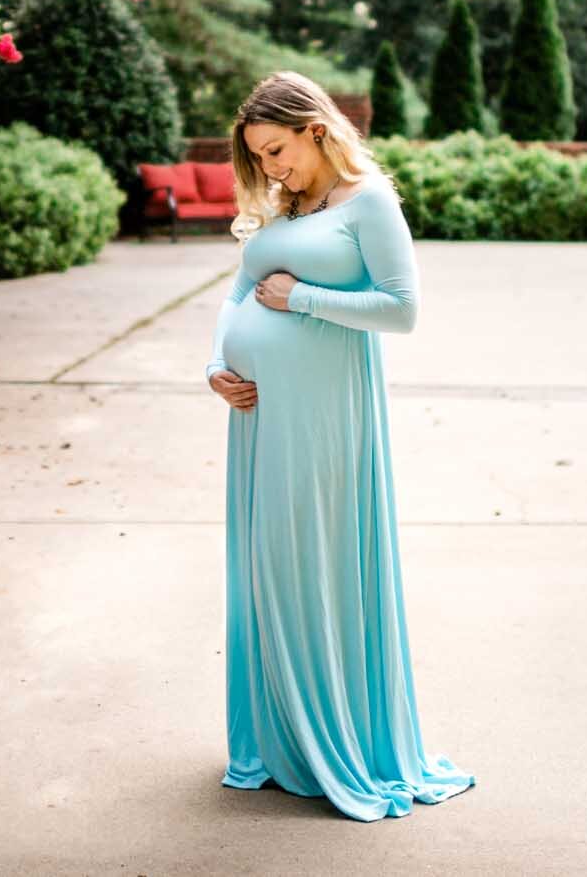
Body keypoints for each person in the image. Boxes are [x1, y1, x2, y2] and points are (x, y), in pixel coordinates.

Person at [205, 70, 476, 822]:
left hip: (325, 417)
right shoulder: (289, 204)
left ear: (316, 130)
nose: (268, 168)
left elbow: (402, 310)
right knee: (265, 567)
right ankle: (281, 730)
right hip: (257, 417)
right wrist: (216, 366)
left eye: (277, 149)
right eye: (258, 156)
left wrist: (305, 299)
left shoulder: (370, 202)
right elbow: (234, 295)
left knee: (314, 558)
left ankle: (338, 730)